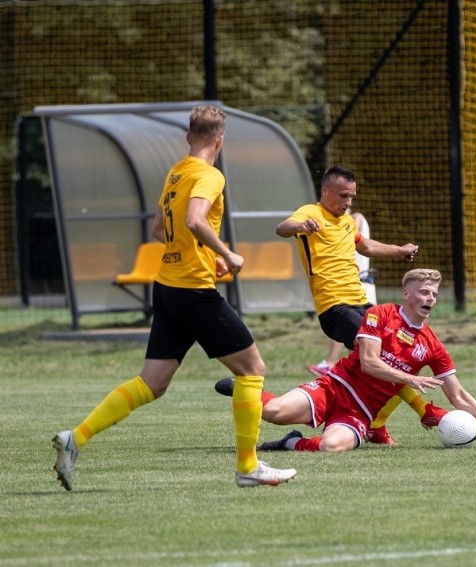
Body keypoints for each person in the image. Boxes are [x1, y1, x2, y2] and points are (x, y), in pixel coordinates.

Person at [52, 105, 296, 490]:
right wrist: (227, 254)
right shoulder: (209, 175)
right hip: (193, 291)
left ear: (188, 137)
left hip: (166, 286)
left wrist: (203, 253)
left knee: (153, 382)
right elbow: (194, 221)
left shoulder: (176, 172)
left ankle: (76, 438)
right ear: (220, 140)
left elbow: (156, 229)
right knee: (252, 369)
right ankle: (248, 467)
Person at [215, 269, 476, 452]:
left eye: (433, 293)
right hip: (335, 386)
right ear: (407, 294)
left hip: (361, 412)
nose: (429, 298)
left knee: (331, 447)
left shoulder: (432, 345)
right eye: (423, 292)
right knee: (274, 412)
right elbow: (369, 362)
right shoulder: (379, 314)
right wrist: (411, 378)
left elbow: (456, 394)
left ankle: (291, 442)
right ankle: (247, 389)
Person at [272, 166, 448, 444]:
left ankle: (377, 424)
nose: (348, 203)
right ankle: (422, 410)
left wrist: (399, 250)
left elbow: (365, 246)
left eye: (352, 197)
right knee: (385, 356)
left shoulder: (346, 222)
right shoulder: (310, 213)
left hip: (362, 304)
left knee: (400, 352)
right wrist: (300, 226)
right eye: (343, 196)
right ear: (325, 191)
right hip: (335, 308)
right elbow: (282, 228)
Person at [308, 210, 376, 377]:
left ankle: (333, 363)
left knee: (362, 330)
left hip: (359, 284)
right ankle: (345, 365)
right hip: (354, 284)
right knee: (352, 328)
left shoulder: (355, 218)